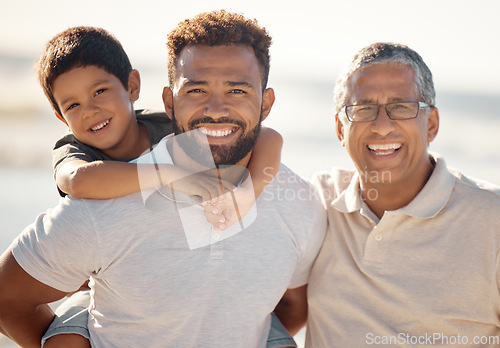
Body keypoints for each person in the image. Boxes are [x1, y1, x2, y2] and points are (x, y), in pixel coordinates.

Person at [0, 10, 326, 348]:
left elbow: (293, 305)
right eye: (197, 90)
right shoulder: (101, 203)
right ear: (170, 101)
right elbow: (7, 300)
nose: (216, 108)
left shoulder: (301, 202)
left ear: (266, 103)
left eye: (238, 91)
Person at [305, 42, 500, 347]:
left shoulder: (492, 220)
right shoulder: (316, 203)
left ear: (431, 124)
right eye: (364, 109)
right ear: (340, 130)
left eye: (401, 107)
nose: (382, 127)